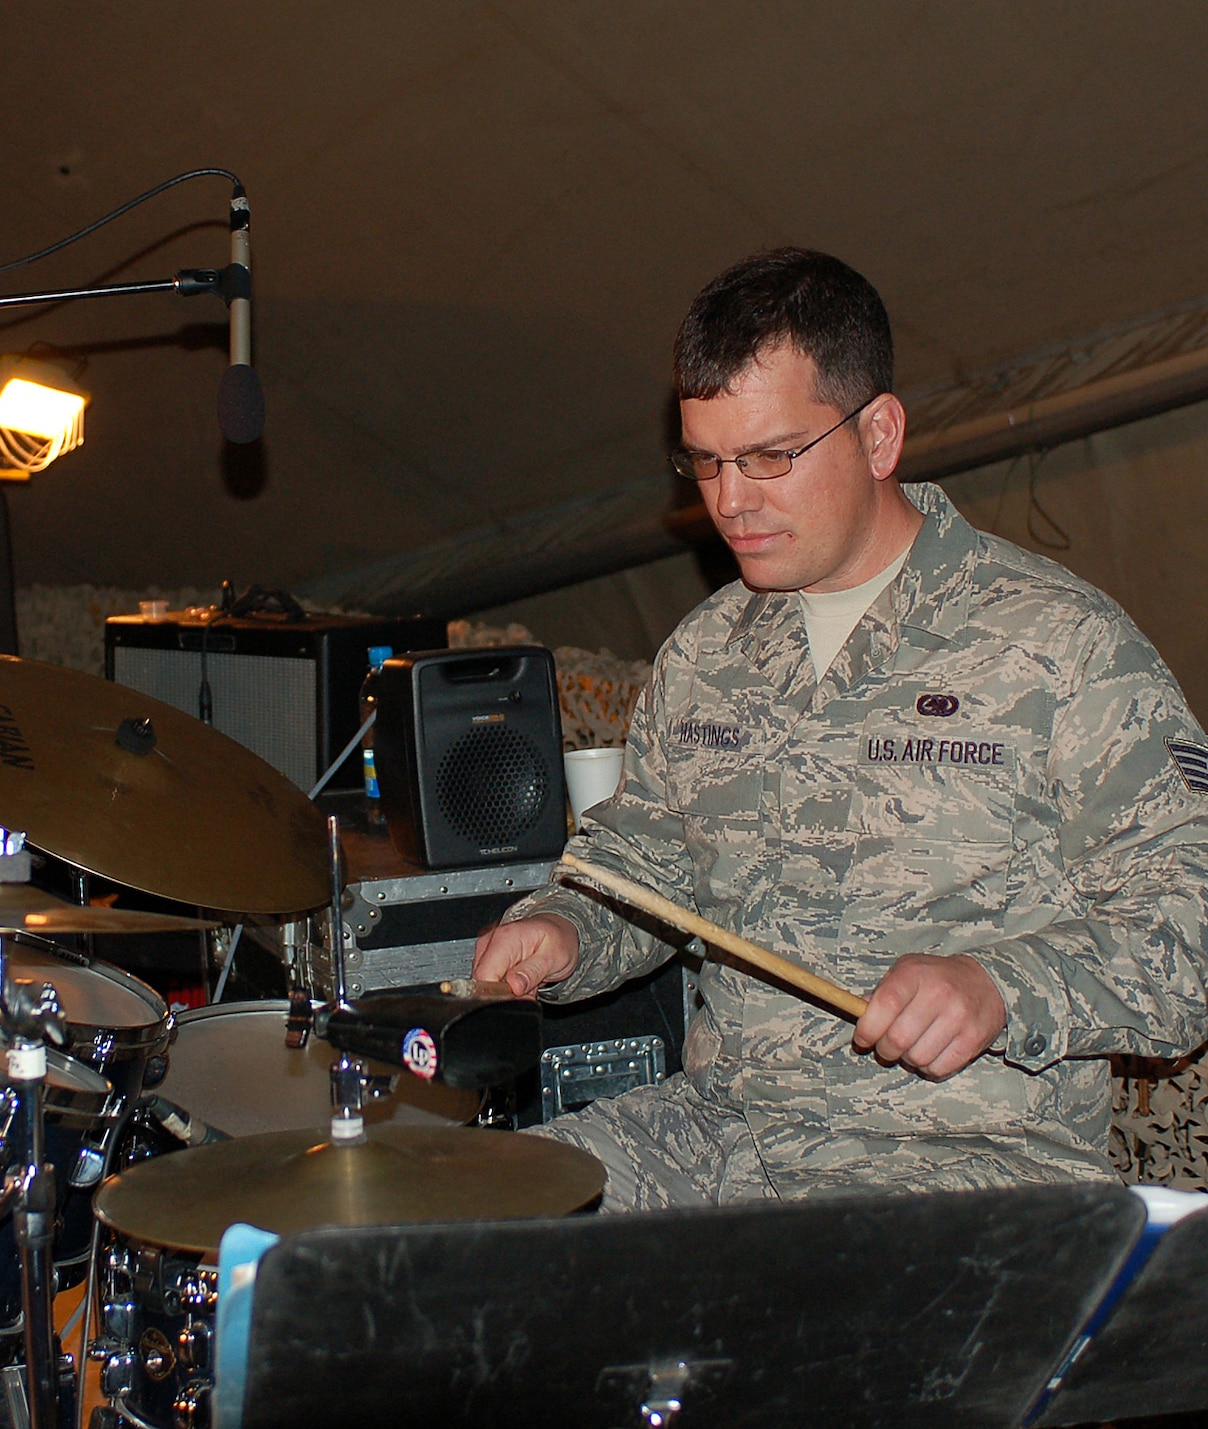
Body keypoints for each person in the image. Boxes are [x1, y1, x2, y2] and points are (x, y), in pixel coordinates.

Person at [475, 247, 1208, 1210]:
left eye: (771, 456)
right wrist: (566, 929)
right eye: (706, 461)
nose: (731, 499)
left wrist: (1001, 985)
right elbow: (645, 862)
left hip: (959, 1162)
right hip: (722, 1134)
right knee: (485, 1235)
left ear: (880, 434)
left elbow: (1188, 921)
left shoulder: (1058, 646)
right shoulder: (705, 655)